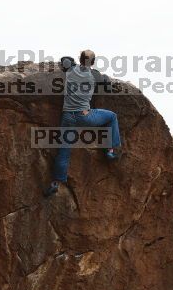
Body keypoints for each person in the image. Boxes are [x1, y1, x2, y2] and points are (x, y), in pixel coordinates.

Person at [44, 49, 121, 197]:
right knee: (112, 117)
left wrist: (72, 63)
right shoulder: (95, 75)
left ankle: (55, 183)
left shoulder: (70, 69)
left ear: (79, 59)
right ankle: (110, 151)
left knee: (64, 150)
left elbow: (64, 59)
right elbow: (108, 85)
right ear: (93, 62)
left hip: (67, 117)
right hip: (85, 116)